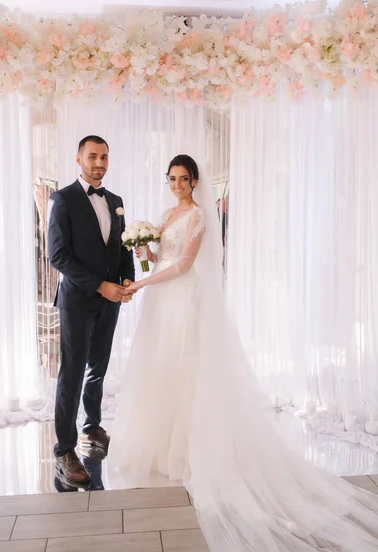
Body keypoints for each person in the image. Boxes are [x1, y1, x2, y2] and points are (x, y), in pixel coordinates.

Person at [113, 154, 378, 552]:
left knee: (186, 369)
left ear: (195, 180)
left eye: (184, 179)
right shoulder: (166, 213)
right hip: (161, 302)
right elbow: (161, 255)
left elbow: (184, 265)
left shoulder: (201, 217)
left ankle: (187, 448)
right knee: (161, 368)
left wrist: (144, 283)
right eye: (172, 179)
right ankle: (161, 445)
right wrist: (144, 254)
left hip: (182, 297)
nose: (177, 185)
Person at [47, 135, 134, 490]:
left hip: (110, 301)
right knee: (71, 374)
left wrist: (127, 278)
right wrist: (100, 286)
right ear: (78, 158)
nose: (100, 163)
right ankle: (64, 450)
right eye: (93, 156)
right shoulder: (62, 199)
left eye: (104, 157)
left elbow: (122, 247)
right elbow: (58, 255)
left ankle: (92, 426)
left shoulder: (115, 201)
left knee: (98, 368)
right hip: (78, 300)